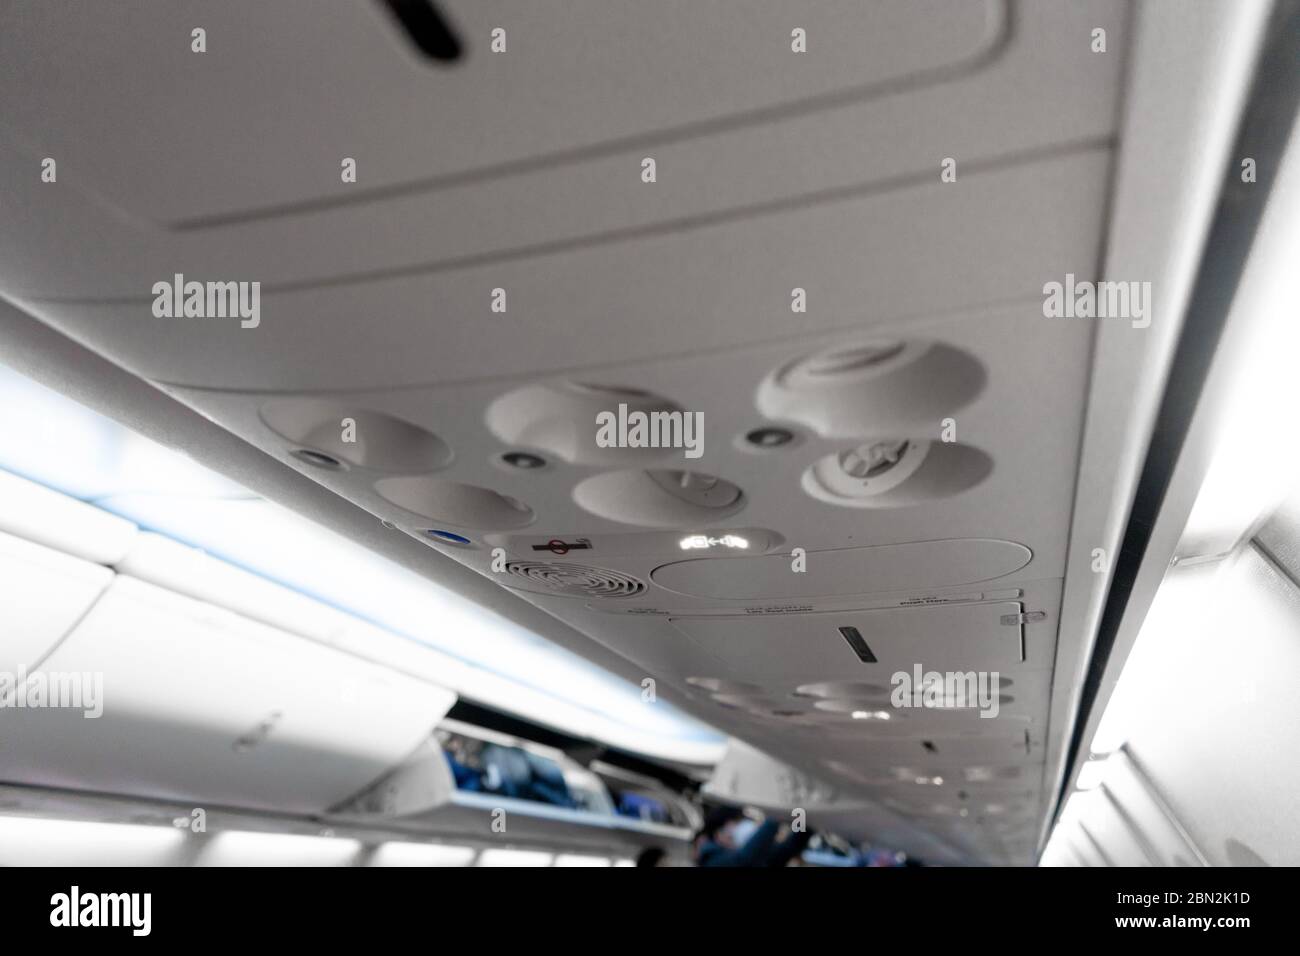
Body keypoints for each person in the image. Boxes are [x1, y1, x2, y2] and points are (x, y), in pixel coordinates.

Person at [693, 806, 812, 867]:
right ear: (719, 832)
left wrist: (804, 819)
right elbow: (745, 860)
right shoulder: (712, 861)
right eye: (738, 822)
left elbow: (787, 850)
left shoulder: (750, 855)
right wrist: (775, 817)